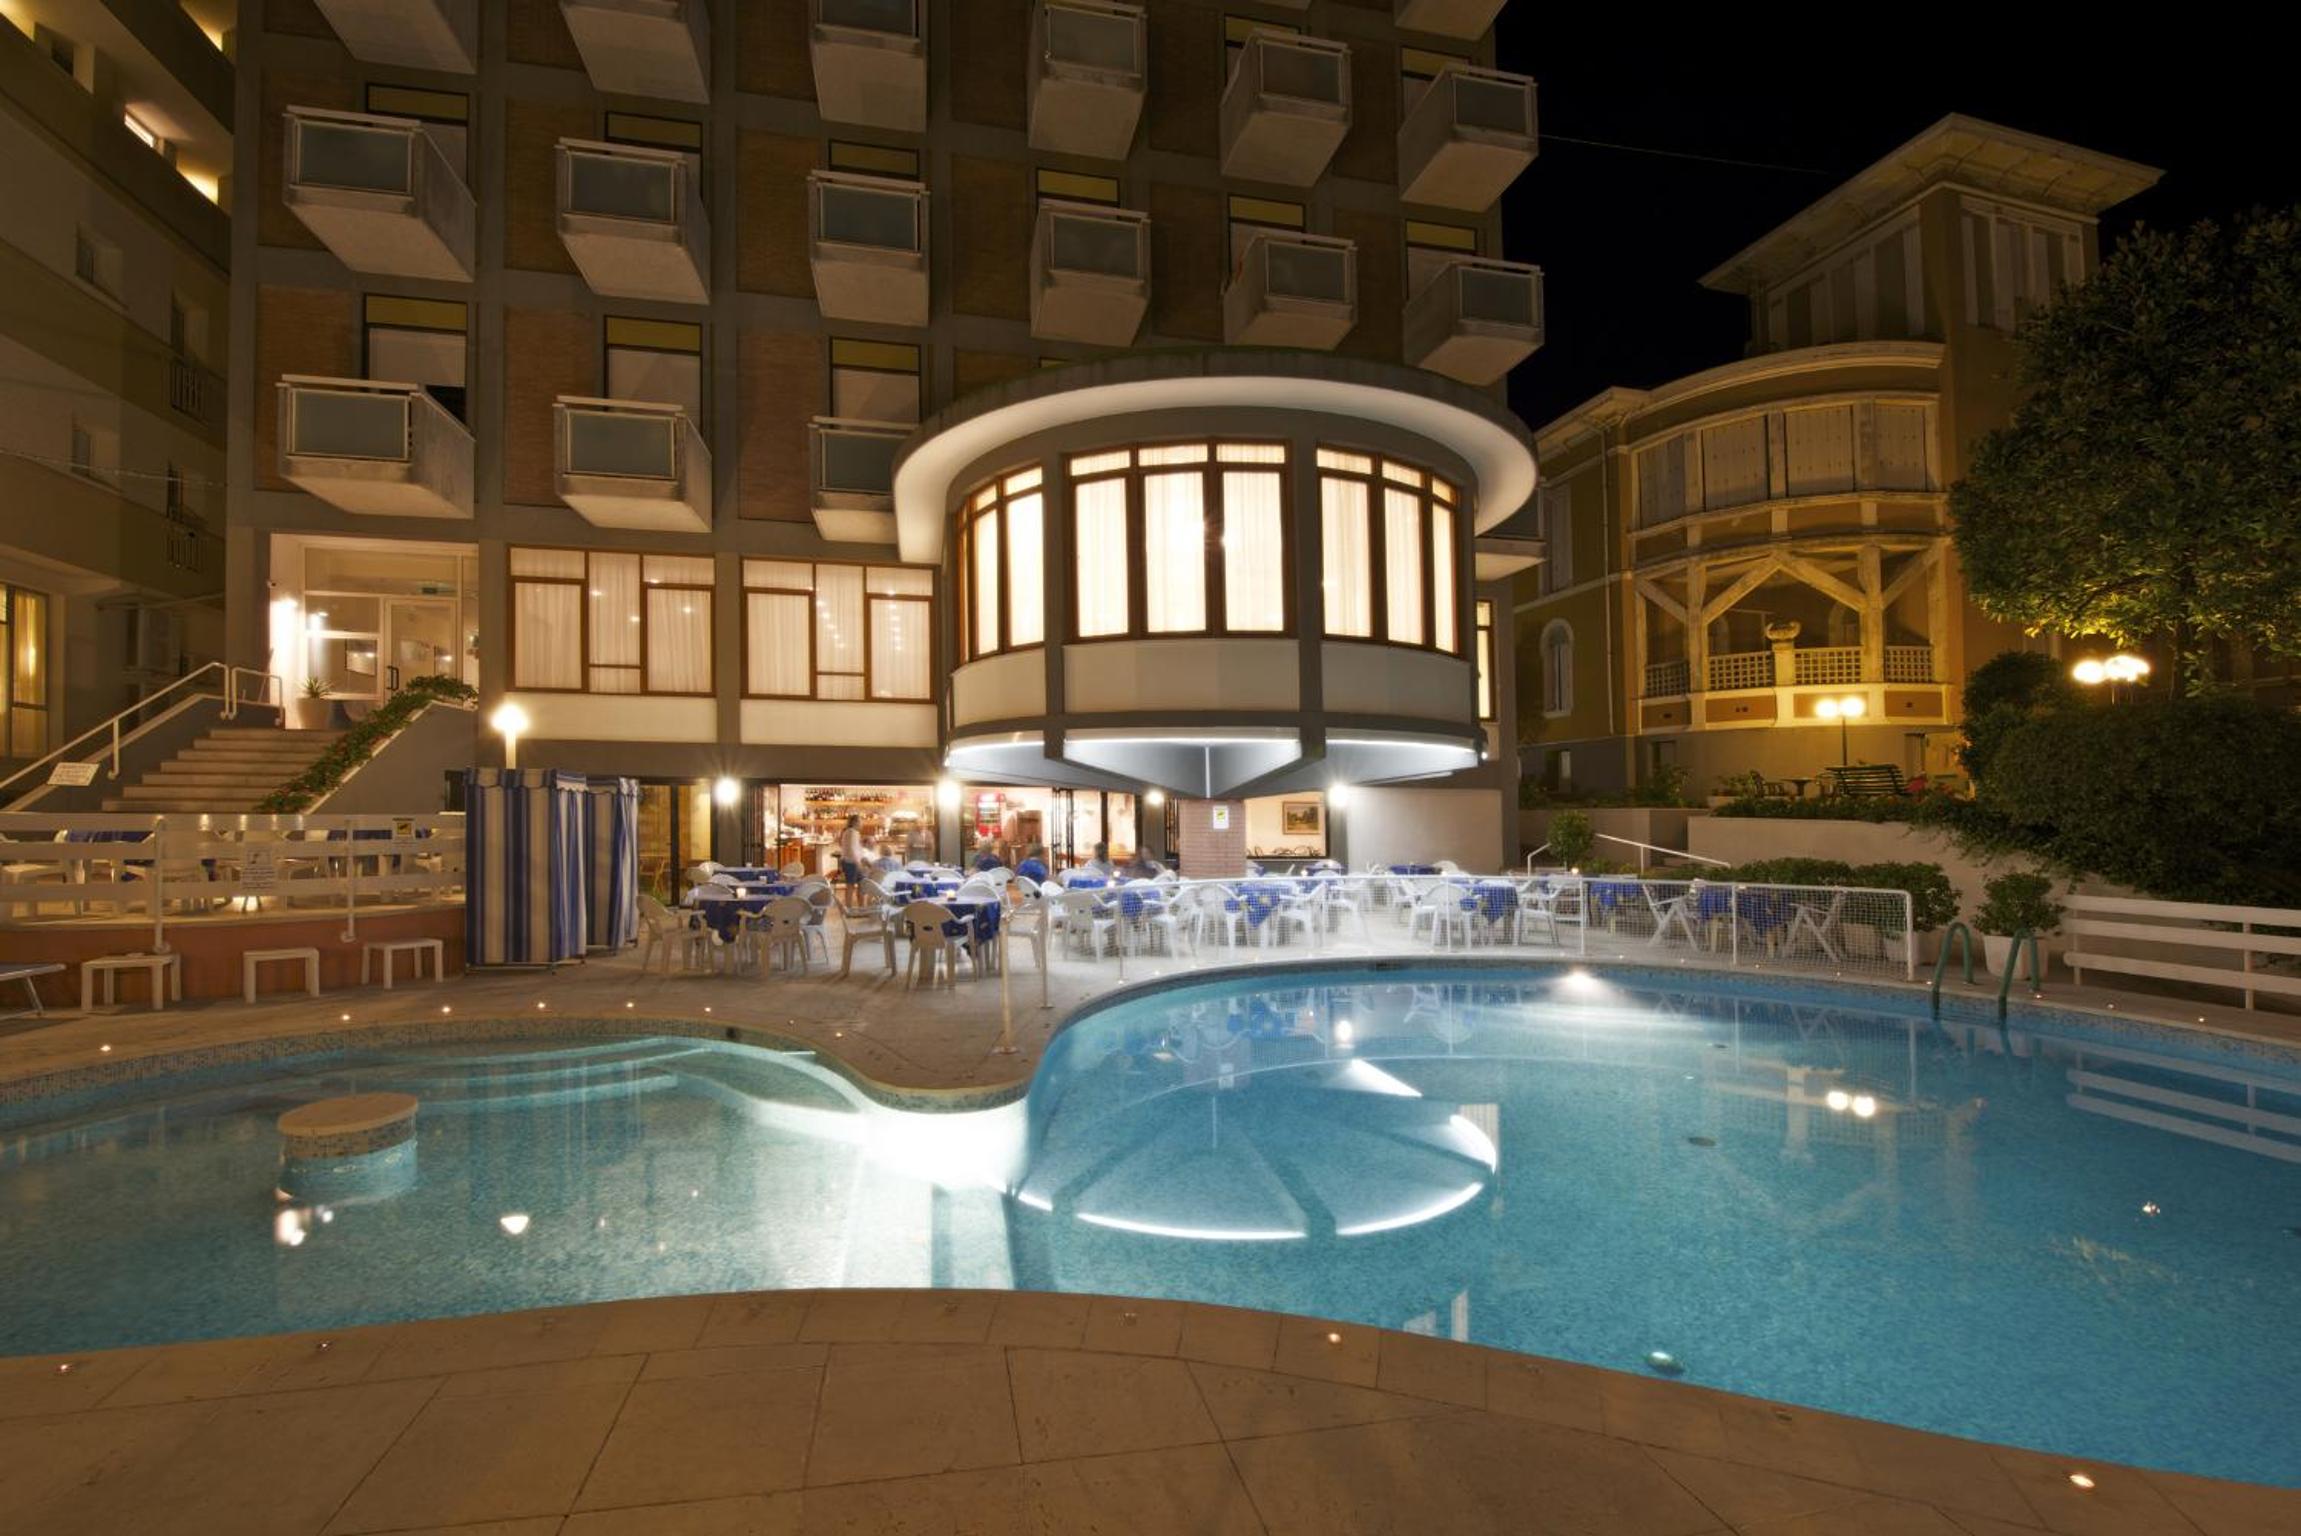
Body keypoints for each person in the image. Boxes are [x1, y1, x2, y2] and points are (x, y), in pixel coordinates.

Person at [835, 814, 867, 898]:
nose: (862, 824)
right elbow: (852, 849)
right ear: (855, 822)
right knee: (851, 886)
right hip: (851, 863)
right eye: (860, 821)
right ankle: (850, 905)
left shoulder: (848, 831)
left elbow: (848, 846)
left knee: (858, 884)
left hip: (849, 862)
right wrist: (858, 862)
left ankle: (857, 905)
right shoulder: (852, 832)